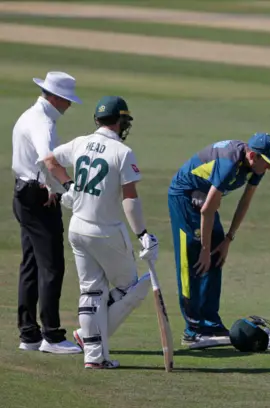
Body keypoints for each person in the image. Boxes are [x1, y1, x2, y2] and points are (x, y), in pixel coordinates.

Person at [42, 96, 159, 369]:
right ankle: (89, 338)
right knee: (132, 289)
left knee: (91, 292)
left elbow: (49, 160)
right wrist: (143, 234)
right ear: (120, 122)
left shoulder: (81, 142)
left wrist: (68, 187)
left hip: (77, 228)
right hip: (106, 232)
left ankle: (94, 356)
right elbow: (129, 199)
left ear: (97, 120)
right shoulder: (122, 152)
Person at [167, 133, 270, 349]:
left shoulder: (256, 165)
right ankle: (193, 330)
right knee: (193, 258)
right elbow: (208, 209)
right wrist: (203, 247)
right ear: (252, 156)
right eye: (266, 162)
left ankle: (210, 324)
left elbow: (245, 201)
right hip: (183, 196)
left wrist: (228, 239)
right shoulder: (229, 162)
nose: (269, 168)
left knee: (216, 255)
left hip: (202, 197)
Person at [11, 71, 83, 354]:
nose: (68, 105)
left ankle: (29, 334)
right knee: (52, 265)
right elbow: (48, 160)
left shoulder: (31, 115)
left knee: (31, 264)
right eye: (66, 100)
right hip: (37, 198)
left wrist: (50, 184)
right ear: (54, 97)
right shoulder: (43, 123)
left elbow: (40, 164)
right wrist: (68, 187)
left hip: (25, 192)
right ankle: (51, 336)